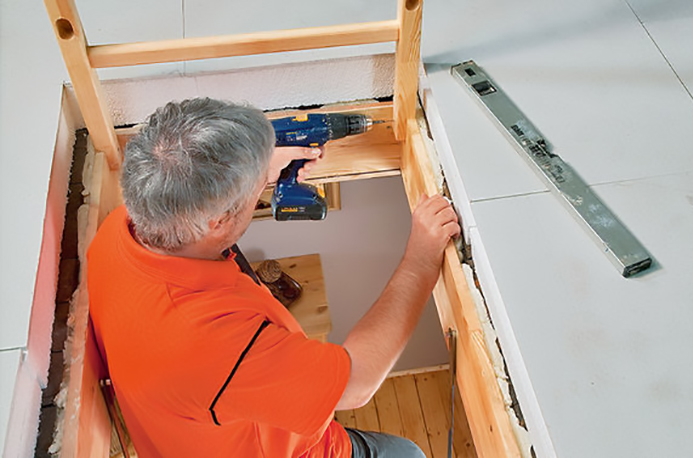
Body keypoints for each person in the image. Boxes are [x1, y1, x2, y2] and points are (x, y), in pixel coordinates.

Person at [87, 98, 460, 458]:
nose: (262, 188)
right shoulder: (209, 344)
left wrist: (256, 165)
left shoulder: (119, 231)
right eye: (255, 192)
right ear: (217, 222)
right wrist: (420, 261)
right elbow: (357, 382)